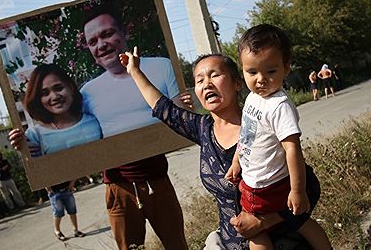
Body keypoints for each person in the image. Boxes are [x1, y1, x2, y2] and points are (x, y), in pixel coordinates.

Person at [120, 46, 323, 249]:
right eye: (199, 80)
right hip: (230, 243)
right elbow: (164, 108)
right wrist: (134, 71)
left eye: (214, 75)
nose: (206, 83)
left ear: (237, 83)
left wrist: (265, 221)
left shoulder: (262, 127)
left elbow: (310, 189)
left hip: (283, 241)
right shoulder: (202, 129)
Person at [80, 4, 188, 250]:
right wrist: (28, 145)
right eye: (93, 41)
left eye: (107, 34)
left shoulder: (161, 66)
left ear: (124, 33)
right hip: (119, 188)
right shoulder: (86, 93)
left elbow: (180, 118)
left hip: (158, 180)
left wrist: (184, 109)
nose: (101, 44)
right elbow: (76, 140)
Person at [226, 24, 331, 250]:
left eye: (270, 71)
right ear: (242, 70)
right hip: (252, 182)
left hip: (273, 184)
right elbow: (247, 134)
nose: (261, 79)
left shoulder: (279, 106)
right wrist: (237, 161)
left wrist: (297, 190)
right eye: (252, 72)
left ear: (286, 68)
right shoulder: (254, 98)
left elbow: (292, 149)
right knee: (261, 230)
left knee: (299, 221)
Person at [9, 64, 102, 241]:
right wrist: (21, 147)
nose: (54, 97)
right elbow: (36, 170)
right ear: (37, 99)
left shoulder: (94, 121)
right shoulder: (34, 136)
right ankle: (59, 230)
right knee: (59, 212)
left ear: (71, 88)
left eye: (59, 88)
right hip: (57, 191)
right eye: (44, 93)